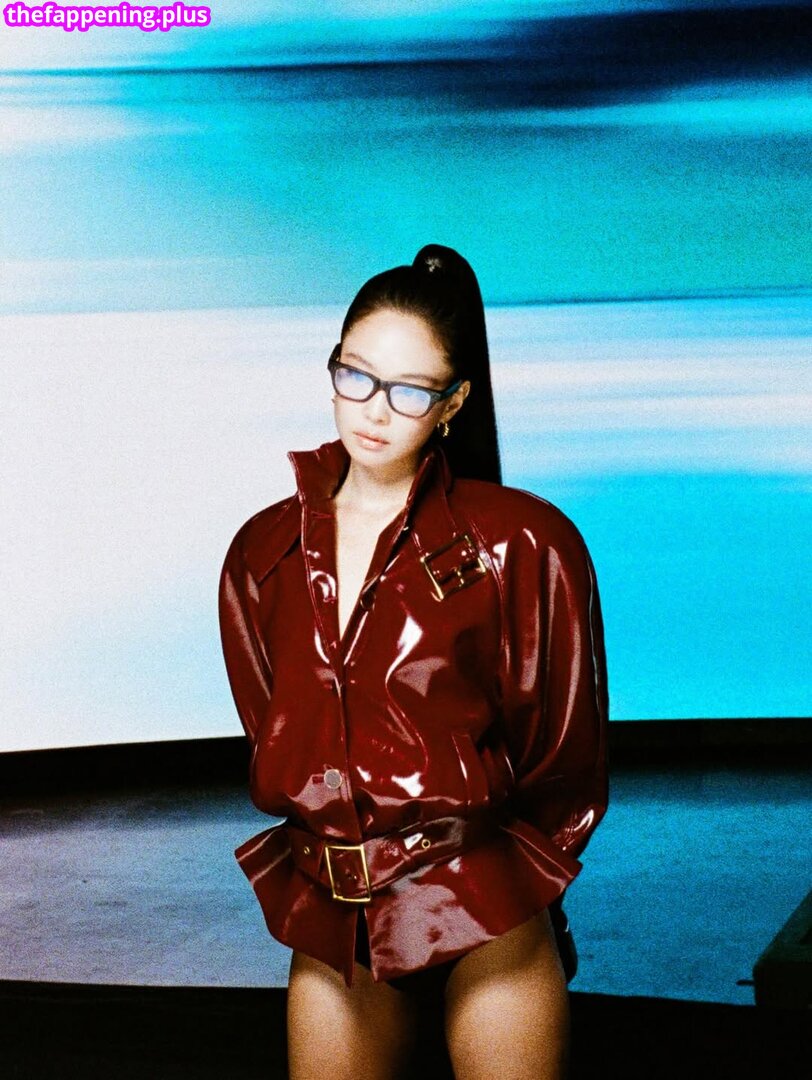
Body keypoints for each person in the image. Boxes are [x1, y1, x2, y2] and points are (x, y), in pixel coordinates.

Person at [218, 244, 609, 1079]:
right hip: (334, 908)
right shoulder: (261, 552)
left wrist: (526, 880)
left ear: (454, 401)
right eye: (356, 376)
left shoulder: (523, 542)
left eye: (410, 390)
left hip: (483, 898)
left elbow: (563, 758)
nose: (375, 410)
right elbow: (272, 724)